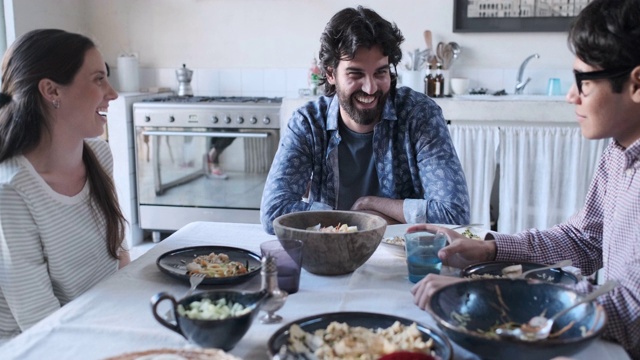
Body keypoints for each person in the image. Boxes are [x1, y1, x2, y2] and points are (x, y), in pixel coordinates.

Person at [410, 0, 640, 357]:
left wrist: (488, 293)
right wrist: (490, 248)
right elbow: (584, 239)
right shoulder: (618, 151)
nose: (570, 95)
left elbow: (628, 312)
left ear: (636, 83)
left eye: (584, 81)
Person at [260, 6, 470, 234]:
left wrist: (370, 204)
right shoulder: (309, 123)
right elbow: (274, 211)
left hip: (404, 258)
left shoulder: (420, 115)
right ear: (331, 74)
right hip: (329, 256)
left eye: (380, 72)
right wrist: (361, 220)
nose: (370, 88)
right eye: (355, 74)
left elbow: (454, 214)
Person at [0, 29, 129, 343]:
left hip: (100, 325)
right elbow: (39, 323)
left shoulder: (99, 155)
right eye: (98, 79)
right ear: (51, 91)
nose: (112, 93)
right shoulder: (11, 191)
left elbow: (119, 258)